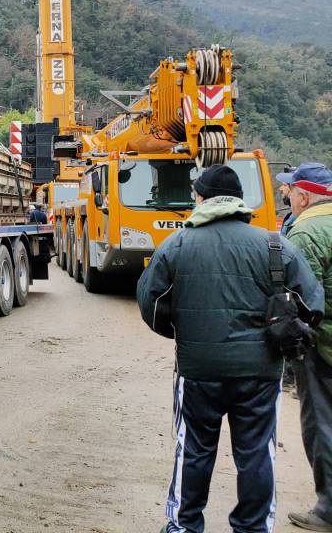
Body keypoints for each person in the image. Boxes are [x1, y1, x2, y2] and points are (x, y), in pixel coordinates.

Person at [137, 164, 322, 533]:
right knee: (255, 454)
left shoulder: (177, 245)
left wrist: (187, 334)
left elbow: (151, 304)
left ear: (201, 199)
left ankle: (184, 526)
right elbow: (311, 305)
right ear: (239, 201)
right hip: (260, 375)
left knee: (193, 450)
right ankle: (252, 528)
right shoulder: (274, 245)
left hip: (198, 371)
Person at [281, 163, 332, 531]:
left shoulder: (306, 231)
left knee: (322, 422)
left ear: (303, 195)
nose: (288, 197)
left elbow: (299, 297)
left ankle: (327, 508)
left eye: (289, 192)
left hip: (323, 345)